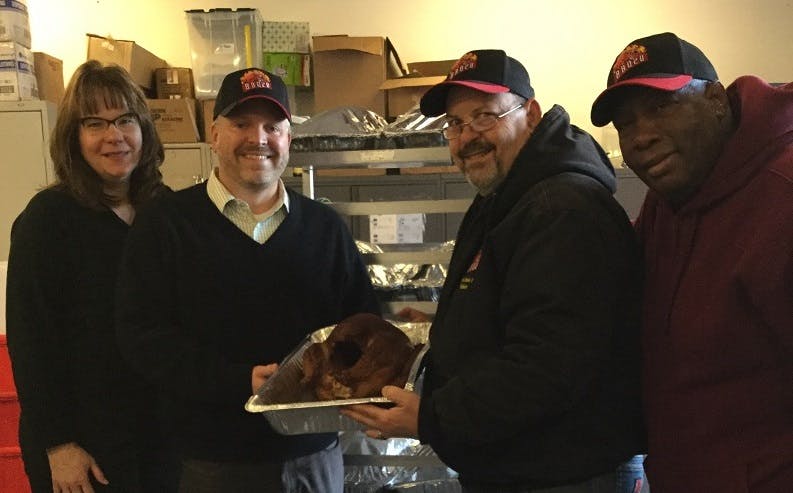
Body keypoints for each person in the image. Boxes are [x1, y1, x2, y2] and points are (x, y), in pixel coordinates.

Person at [342, 49, 646, 492]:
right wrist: (445, 327)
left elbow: (546, 366)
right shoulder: (506, 198)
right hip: (522, 464)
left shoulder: (560, 209)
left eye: (485, 116)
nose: (467, 137)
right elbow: (527, 315)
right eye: (455, 124)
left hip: (566, 472)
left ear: (532, 114)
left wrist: (430, 418)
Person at [114, 68, 380, 493]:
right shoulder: (166, 225)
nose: (258, 138)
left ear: (288, 140)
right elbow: (142, 338)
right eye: (241, 124)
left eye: (272, 126)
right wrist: (237, 381)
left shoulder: (325, 228)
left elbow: (362, 325)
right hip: (208, 462)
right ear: (215, 135)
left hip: (311, 458)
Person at [590, 32, 793, 492]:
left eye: (662, 107)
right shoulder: (667, 204)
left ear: (716, 100)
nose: (640, 136)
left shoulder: (782, 199)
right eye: (625, 123)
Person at [5, 60, 172, 492]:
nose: (113, 136)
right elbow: (31, 341)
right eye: (95, 123)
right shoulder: (46, 221)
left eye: (125, 121)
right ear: (74, 138)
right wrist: (58, 445)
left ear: (143, 130)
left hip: (159, 434)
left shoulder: (165, 211)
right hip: (83, 443)